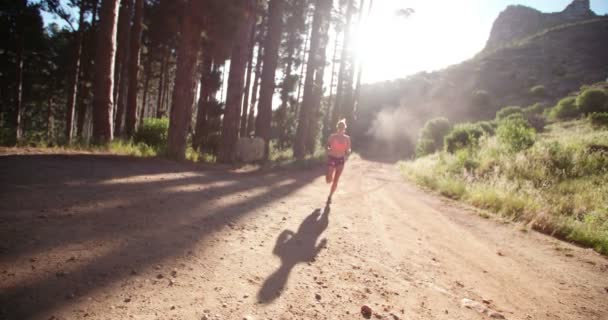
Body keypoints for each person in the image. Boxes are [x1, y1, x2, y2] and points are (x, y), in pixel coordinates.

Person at [326, 119, 351, 204]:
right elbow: (328, 145)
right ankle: (329, 176)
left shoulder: (347, 138)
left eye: (342, 127)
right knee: (329, 179)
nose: (341, 129)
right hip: (332, 157)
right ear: (337, 128)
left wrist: (348, 152)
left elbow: (348, 149)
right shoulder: (332, 136)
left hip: (340, 159)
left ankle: (330, 196)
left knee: (336, 180)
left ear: (344, 128)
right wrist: (328, 149)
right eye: (340, 127)